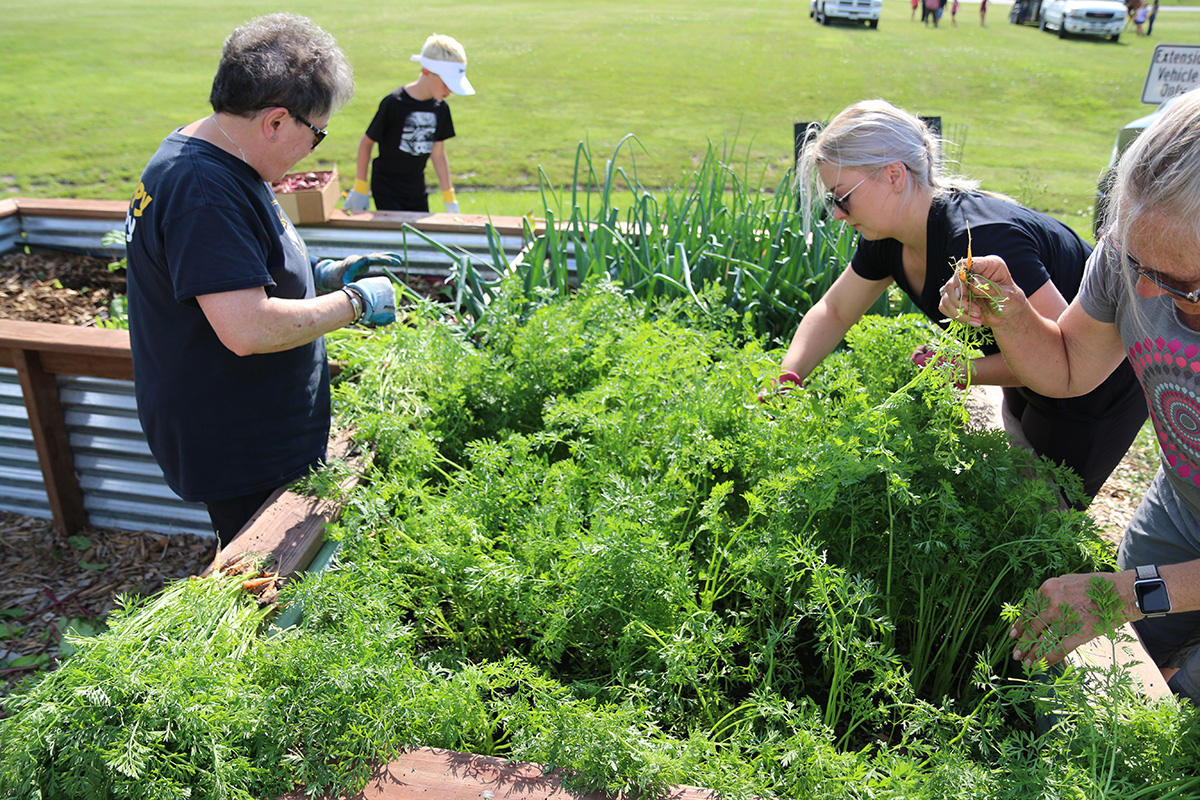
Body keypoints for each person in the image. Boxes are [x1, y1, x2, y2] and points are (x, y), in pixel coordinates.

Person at [938, 87, 1200, 703]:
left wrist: (1125, 592)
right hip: (1183, 508)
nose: (1154, 298)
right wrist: (1009, 310)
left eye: (1186, 283)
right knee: (1131, 668)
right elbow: (1066, 366)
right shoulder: (1138, 251)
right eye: (1141, 269)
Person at [773, 99, 1148, 508]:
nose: (839, 215)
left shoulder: (982, 240)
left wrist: (962, 371)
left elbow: (1066, 355)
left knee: (1041, 516)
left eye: (842, 197)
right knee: (1013, 484)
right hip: (1026, 370)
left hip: (1098, 386)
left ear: (894, 176)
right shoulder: (888, 239)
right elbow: (835, 310)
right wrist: (788, 377)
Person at [124, 13, 399, 548]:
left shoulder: (217, 151)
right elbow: (246, 328)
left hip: (251, 428)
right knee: (267, 576)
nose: (313, 149)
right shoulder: (202, 189)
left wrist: (313, 278)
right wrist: (354, 304)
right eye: (316, 134)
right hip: (238, 444)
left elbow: (226, 272)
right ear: (276, 121)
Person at [343, 34, 474, 215]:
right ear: (427, 72)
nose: (450, 90)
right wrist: (360, 187)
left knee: (419, 238)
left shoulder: (441, 108)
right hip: (386, 186)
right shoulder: (394, 103)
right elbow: (367, 143)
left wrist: (449, 197)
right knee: (398, 233)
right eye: (446, 83)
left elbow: (437, 153)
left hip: (416, 186)